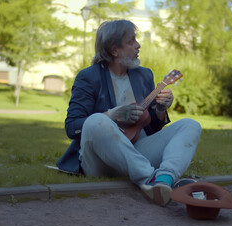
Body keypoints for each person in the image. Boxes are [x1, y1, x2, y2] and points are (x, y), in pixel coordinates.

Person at [56, 19, 202, 206]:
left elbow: (152, 128)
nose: (138, 45)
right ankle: (150, 179)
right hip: (100, 161)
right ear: (114, 50)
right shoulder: (89, 77)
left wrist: (160, 110)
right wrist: (112, 115)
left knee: (191, 125)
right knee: (96, 121)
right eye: (131, 41)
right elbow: (72, 127)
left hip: (136, 152)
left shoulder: (144, 75)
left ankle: (164, 179)